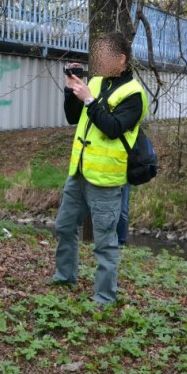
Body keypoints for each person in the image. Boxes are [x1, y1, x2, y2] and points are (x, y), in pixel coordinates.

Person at [49, 32, 148, 306]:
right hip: (79, 173)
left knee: (105, 243)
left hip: (106, 181)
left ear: (121, 59)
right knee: (64, 226)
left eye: (105, 55)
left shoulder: (134, 94)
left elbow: (114, 128)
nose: (99, 60)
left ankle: (104, 298)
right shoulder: (95, 81)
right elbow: (72, 117)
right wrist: (71, 91)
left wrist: (90, 101)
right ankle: (65, 276)